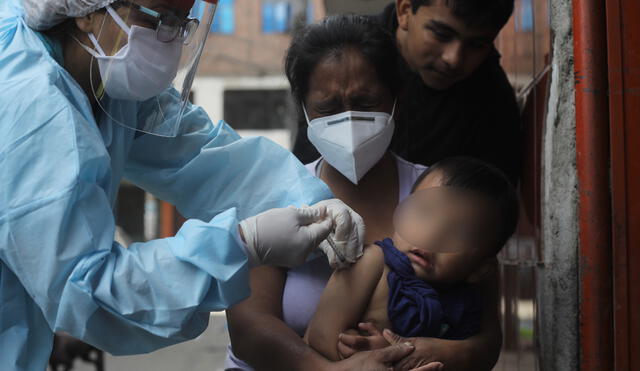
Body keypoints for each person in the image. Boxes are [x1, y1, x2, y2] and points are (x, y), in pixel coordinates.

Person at [0, 1, 367, 370]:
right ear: (86, 12)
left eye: (181, 22)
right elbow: (87, 290)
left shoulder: (102, 74)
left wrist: (311, 200)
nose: (169, 39)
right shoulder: (32, 111)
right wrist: (241, 244)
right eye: (157, 19)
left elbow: (203, 153)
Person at [226, 15, 503, 371]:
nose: (349, 119)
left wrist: (415, 351)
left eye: (366, 101)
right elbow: (249, 330)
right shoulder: (272, 197)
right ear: (305, 110)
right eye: (328, 107)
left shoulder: (445, 195)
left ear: (396, 98)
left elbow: (486, 340)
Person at [305, 157, 519, 362]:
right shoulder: (372, 263)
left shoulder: (469, 304)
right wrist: (368, 353)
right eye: (424, 213)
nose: (432, 235)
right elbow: (320, 337)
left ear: (480, 269)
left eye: (458, 232)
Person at [292, 0, 522, 184]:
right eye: (441, 34)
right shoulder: (347, 54)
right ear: (405, 10)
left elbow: (493, 199)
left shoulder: (490, 96)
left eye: (476, 45)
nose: (453, 58)